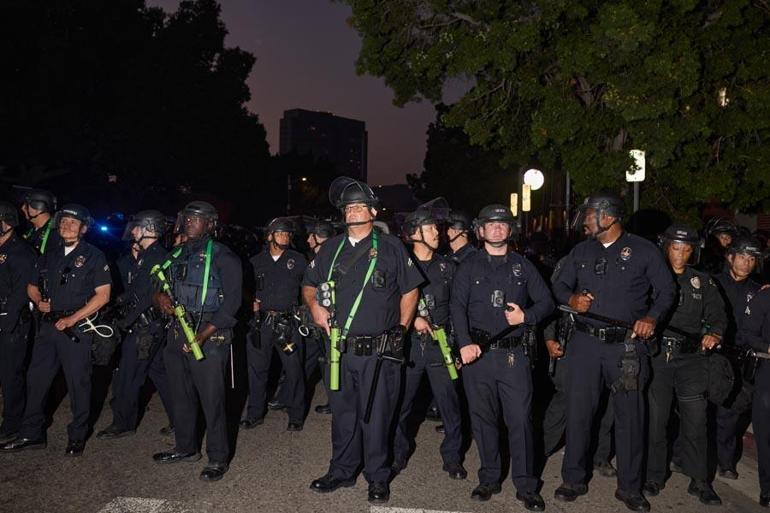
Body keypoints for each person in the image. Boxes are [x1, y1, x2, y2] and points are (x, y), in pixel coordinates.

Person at [551, 194, 675, 512]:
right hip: (585, 345)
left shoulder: (645, 251)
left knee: (630, 418)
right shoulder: (581, 251)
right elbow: (559, 286)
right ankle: (573, 479)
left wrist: (651, 317)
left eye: (591, 214)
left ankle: (630, 488)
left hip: (626, 348)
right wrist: (572, 299)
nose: (586, 220)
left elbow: (666, 291)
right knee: (579, 414)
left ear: (609, 217)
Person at [303, 176, 422, 503]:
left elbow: (410, 290)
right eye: (348, 208)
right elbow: (309, 283)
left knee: (377, 416)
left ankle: (377, 476)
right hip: (339, 350)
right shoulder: (330, 248)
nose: (353, 212)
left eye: (359, 206)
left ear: (372, 211)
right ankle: (341, 470)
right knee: (343, 415)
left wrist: (402, 327)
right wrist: (314, 306)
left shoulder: (392, 248)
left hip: (379, 352)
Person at [450, 204, 554, 511]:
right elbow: (457, 307)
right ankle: (489, 478)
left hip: (513, 357)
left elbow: (547, 302)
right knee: (483, 420)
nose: (497, 229)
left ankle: (526, 485)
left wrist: (526, 316)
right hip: (477, 357)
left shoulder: (523, 266)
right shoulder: (468, 266)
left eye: (502, 224)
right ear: (480, 231)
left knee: (521, 421)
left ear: (510, 230)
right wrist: (464, 344)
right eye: (491, 224)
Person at [1, 204, 111, 456]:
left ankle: (77, 436)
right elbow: (31, 285)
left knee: (78, 384)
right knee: (36, 381)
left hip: (77, 330)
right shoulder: (48, 254)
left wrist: (73, 318)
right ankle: (31, 433)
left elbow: (103, 296)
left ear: (83, 228)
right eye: (63, 222)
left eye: (73, 223)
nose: (66, 226)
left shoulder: (94, 256)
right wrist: (38, 299)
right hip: (48, 328)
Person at [151, 201, 242, 482]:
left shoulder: (224, 257)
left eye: (196, 218)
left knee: (212, 400)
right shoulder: (177, 253)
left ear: (210, 224)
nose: (189, 221)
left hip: (209, 337)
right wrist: (159, 298)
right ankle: (186, 447)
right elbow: (156, 285)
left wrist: (202, 336)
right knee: (180, 396)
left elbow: (232, 305)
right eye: (187, 217)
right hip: (177, 332)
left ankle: (217, 457)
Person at [644, 224, 725, 505]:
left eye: (687, 249)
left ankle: (700, 480)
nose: (680, 254)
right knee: (657, 421)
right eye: (676, 247)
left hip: (692, 361)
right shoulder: (651, 279)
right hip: (660, 359)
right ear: (666, 248)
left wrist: (715, 333)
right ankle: (654, 475)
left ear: (694, 252)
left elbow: (718, 315)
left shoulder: (702, 282)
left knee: (696, 421)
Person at [392, 200, 466, 480]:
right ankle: (398, 454)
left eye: (437, 226)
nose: (439, 232)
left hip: (441, 345)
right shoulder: (400, 266)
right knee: (401, 404)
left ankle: (453, 459)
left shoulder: (448, 267)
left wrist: (458, 347)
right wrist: (412, 321)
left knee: (450, 405)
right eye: (432, 227)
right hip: (410, 347)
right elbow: (387, 306)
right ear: (414, 233)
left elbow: (460, 309)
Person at [97, 210, 174, 439]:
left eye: (136, 227)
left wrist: (122, 323)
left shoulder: (154, 256)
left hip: (144, 328)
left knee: (127, 377)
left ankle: (123, 423)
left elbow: (143, 297)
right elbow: (133, 291)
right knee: (160, 375)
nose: (132, 231)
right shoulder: (149, 255)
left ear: (148, 229)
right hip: (149, 327)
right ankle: (181, 419)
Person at [241, 216, 307, 431]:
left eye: (287, 233)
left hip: (288, 324)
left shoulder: (298, 260)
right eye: (280, 233)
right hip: (261, 324)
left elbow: (310, 288)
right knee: (257, 370)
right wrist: (249, 301)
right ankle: (254, 414)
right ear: (269, 236)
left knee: (294, 369)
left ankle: (296, 415)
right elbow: (243, 288)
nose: (285, 236)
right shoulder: (255, 261)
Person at [713, 235, 763, 480]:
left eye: (752, 258)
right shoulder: (712, 283)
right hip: (712, 355)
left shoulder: (759, 292)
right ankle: (683, 456)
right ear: (730, 257)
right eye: (742, 256)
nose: (746, 262)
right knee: (699, 411)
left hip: (741, 360)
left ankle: (726, 462)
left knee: (730, 414)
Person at [0, 201, 37, 445]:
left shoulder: (21, 251)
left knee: (10, 375)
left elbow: (20, 294)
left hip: (11, 323)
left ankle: (13, 423)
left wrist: (6, 323)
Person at [739, 286, 770, 507]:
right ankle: (767, 488)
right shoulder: (765, 297)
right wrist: (768, 348)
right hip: (767, 370)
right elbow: (747, 332)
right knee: (766, 434)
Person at [20, 189, 60, 255]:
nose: (22, 208)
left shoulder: (56, 234)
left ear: (38, 208)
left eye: (26, 205)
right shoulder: (30, 230)